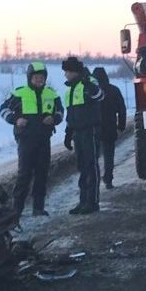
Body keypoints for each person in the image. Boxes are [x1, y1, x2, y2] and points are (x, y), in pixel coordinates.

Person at [0, 61, 62, 217]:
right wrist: (15, 120)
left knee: (42, 173)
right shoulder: (19, 93)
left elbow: (60, 112)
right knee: (24, 174)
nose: (39, 80)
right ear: (29, 78)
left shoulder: (52, 94)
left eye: (42, 77)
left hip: (43, 140)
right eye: (36, 77)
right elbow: (3, 109)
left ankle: (38, 208)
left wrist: (53, 118)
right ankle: (17, 209)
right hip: (26, 140)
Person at [60, 56, 105, 214]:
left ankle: (92, 202)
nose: (65, 75)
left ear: (74, 71)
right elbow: (71, 114)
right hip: (77, 132)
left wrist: (88, 84)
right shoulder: (70, 89)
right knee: (82, 167)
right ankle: (83, 201)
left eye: (67, 71)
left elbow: (100, 96)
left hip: (90, 130)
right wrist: (68, 133)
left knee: (91, 165)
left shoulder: (89, 81)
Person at [91, 67, 127, 189]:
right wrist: (121, 126)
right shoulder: (114, 90)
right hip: (110, 127)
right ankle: (108, 180)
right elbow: (122, 109)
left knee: (93, 156)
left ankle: (94, 180)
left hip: (94, 128)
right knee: (109, 155)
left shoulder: (91, 92)